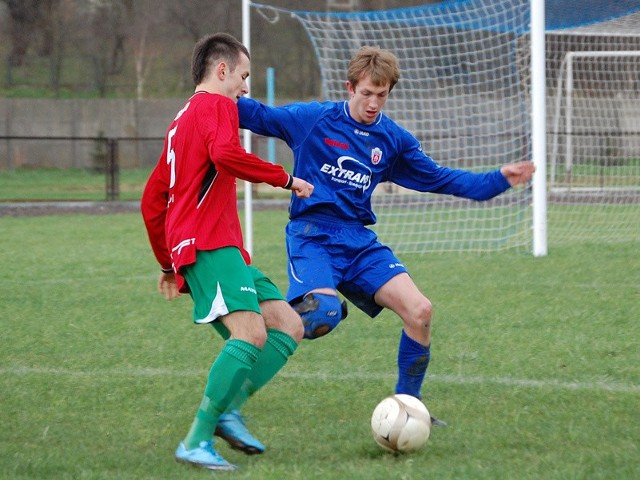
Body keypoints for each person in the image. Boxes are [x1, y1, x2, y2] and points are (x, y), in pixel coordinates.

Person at [237, 46, 535, 424]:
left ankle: (409, 409)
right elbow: (259, 115)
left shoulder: (393, 140)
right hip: (312, 236)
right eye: (366, 93)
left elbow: (440, 178)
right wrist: (214, 93)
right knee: (321, 314)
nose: (374, 103)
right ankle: (244, 364)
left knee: (420, 311)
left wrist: (497, 180)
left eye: (382, 95)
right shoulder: (313, 119)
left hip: (358, 242)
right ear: (350, 87)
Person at [141, 32, 313, 471]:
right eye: (243, 75)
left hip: (214, 247)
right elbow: (225, 154)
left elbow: (152, 197)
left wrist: (167, 262)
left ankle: (229, 409)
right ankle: (197, 439)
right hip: (209, 243)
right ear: (222, 71)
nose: (245, 87)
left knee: (289, 325)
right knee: (251, 334)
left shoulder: (181, 119)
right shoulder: (217, 106)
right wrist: (284, 178)